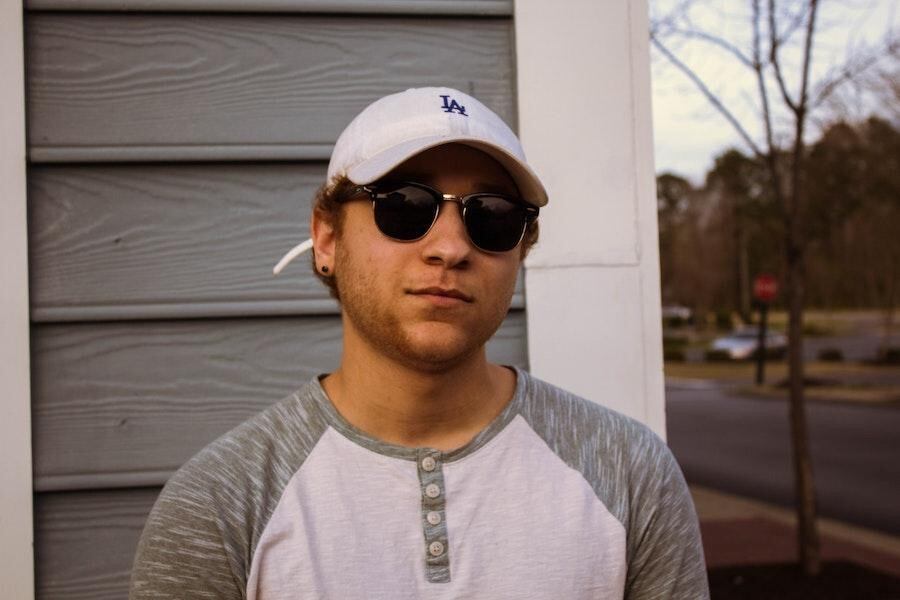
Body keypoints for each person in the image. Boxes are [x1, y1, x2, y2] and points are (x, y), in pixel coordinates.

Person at [129, 87, 709, 599]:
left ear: (520, 252)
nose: (450, 247)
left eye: (493, 216)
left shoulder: (630, 476)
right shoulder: (220, 504)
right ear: (327, 238)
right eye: (405, 206)